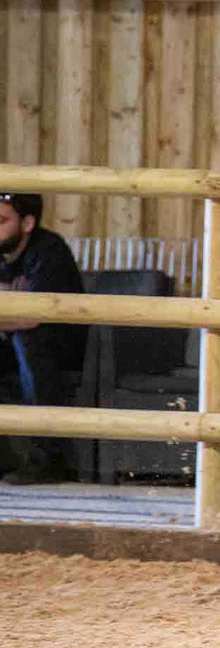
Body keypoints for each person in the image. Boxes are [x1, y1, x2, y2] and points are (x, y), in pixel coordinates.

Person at [0, 193, 87, 484]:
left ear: (27, 223)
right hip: (11, 341)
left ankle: (47, 459)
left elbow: (32, 317)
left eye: (1, 221)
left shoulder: (50, 250)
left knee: (30, 342)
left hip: (63, 347)